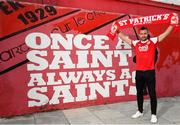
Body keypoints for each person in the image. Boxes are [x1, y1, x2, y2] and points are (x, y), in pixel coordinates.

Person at [117, 13, 178, 123]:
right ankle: (139, 111)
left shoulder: (152, 41)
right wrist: (116, 29)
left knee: (152, 94)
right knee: (139, 93)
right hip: (139, 73)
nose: (143, 35)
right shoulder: (136, 43)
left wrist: (172, 25)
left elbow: (164, 34)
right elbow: (124, 37)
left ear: (147, 34)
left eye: (145, 33)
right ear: (139, 35)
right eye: (141, 34)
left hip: (149, 72)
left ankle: (153, 114)